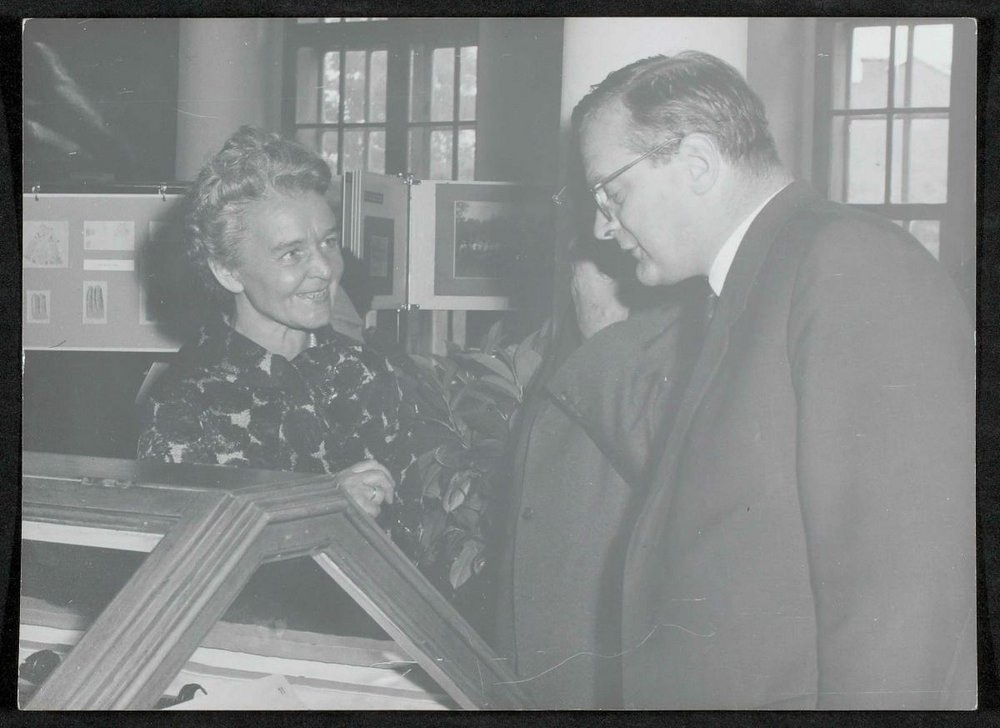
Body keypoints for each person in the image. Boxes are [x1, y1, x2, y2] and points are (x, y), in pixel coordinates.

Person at [570, 52, 975, 709]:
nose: (601, 225)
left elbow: (903, 595)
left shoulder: (848, 263)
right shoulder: (750, 286)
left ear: (697, 163)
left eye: (611, 193)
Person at [136, 126, 413, 633]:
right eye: (291, 253)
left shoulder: (367, 372)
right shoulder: (186, 404)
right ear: (228, 271)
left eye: (328, 242)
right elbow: (187, 588)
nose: (324, 269)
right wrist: (323, 510)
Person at [492, 236, 703, 708]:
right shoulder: (562, 338)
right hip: (538, 663)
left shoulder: (686, 332)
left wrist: (604, 330)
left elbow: (673, 479)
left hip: (613, 669)